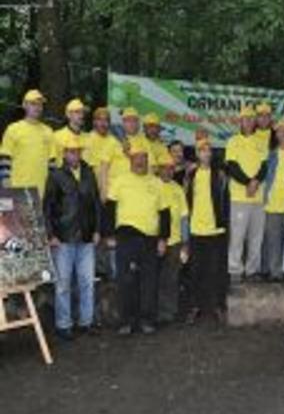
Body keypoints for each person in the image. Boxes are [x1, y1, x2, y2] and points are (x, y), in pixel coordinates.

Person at [105, 141, 169, 335]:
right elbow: (110, 209)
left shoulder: (157, 183)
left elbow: (165, 213)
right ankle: (125, 321)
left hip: (150, 238)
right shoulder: (120, 180)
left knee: (149, 281)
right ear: (131, 160)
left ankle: (147, 320)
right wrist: (110, 235)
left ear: (148, 161)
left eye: (144, 158)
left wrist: (163, 239)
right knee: (125, 280)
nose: (140, 161)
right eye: (137, 157)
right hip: (126, 236)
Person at [43, 135, 102, 340]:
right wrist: (51, 235)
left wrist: (97, 230)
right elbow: (47, 208)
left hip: (86, 237)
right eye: (70, 151)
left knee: (87, 282)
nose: (74, 155)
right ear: (64, 153)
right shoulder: (55, 176)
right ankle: (63, 325)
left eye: (77, 151)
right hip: (63, 238)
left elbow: (96, 204)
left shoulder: (89, 173)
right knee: (63, 285)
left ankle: (86, 322)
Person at [186, 139, 230, 325]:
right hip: (196, 230)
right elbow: (186, 199)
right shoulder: (191, 174)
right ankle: (195, 307)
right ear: (197, 153)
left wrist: (225, 225)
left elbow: (225, 201)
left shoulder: (220, 174)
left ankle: (218, 307)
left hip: (216, 230)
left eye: (208, 150)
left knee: (217, 271)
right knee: (195, 271)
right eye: (202, 150)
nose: (205, 153)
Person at [224, 106, 268, 281]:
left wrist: (255, 182)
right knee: (237, 236)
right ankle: (234, 270)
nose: (248, 122)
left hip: (258, 196)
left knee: (256, 237)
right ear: (240, 121)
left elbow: (264, 167)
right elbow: (232, 167)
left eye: (251, 119)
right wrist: (248, 182)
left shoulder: (261, 142)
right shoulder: (233, 141)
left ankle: (252, 270)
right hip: (239, 197)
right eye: (245, 119)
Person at [0, 89, 55, 197]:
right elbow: (4, 159)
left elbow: (52, 163)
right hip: (17, 189)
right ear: (24, 105)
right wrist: (5, 184)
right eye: (33, 104)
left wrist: (52, 187)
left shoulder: (48, 131)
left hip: (42, 190)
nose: (37, 107)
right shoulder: (13, 129)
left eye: (40, 104)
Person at [156, 156, 189, 324]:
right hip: (154, 241)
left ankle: (168, 314)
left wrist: (185, 243)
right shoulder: (152, 186)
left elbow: (184, 218)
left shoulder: (178, 189)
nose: (168, 171)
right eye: (164, 168)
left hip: (175, 242)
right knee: (152, 279)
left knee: (171, 279)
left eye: (171, 168)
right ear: (158, 169)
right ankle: (150, 313)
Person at [262, 120, 284, 280]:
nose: (283, 133)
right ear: (276, 134)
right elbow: (263, 174)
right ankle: (275, 272)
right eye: (280, 131)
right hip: (273, 202)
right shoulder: (270, 154)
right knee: (273, 240)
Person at [105, 107, 147, 190]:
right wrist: (104, 190)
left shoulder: (144, 141)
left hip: (138, 188)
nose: (131, 124)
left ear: (138, 123)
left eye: (134, 120)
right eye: (128, 121)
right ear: (123, 123)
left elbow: (151, 167)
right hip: (116, 189)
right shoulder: (112, 139)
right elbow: (104, 167)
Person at [85, 107, 122, 198]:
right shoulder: (87, 140)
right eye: (100, 120)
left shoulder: (115, 142)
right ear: (94, 122)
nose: (103, 123)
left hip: (114, 192)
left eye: (106, 120)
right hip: (93, 191)